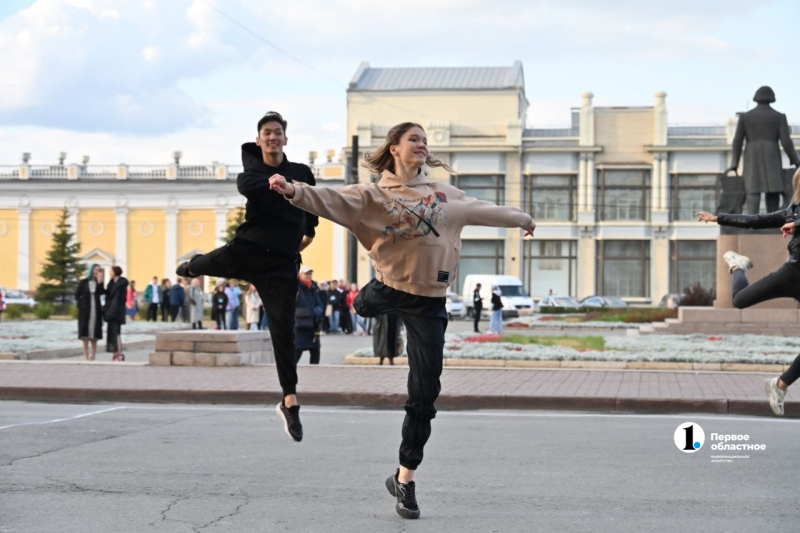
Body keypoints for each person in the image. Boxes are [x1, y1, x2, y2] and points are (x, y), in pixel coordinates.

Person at [270, 121, 535, 519]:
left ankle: (404, 478)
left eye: (425, 141)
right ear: (394, 148)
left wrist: (523, 219)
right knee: (365, 303)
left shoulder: (446, 195)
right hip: (392, 287)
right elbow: (329, 199)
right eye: (414, 139)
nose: (422, 145)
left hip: (430, 302)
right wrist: (294, 191)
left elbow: (485, 209)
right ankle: (364, 298)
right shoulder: (373, 195)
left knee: (424, 395)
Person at [175, 111, 318, 442]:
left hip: (280, 265)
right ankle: (191, 266)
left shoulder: (302, 173)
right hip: (249, 250)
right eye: (267, 132)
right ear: (259, 140)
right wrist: (275, 184)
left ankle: (290, 402)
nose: (273, 137)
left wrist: (298, 243)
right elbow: (252, 186)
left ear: (285, 138)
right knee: (208, 263)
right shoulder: (251, 176)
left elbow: (312, 219)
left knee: (284, 333)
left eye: (278, 132)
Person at [698, 169, 800, 417]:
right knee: (739, 300)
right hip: (793, 273)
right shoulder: (792, 209)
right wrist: (718, 218)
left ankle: (779, 385)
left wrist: (797, 225)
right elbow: (756, 219)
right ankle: (737, 265)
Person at [75, 263, 105, 361]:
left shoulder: (99, 282)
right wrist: (80, 304)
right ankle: (85, 355)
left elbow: (102, 292)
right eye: (95, 270)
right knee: (85, 335)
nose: (97, 272)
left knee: (94, 335)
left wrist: (100, 282)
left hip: (95, 310)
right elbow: (77, 295)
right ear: (91, 270)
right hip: (85, 310)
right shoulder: (83, 282)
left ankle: (93, 355)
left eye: (99, 270)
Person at [295, 266, 324, 364]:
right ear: (300, 274)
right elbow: (290, 308)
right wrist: (308, 312)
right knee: (296, 353)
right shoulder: (296, 288)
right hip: (299, 327)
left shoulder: (314, 288)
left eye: (310, 274)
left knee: (316, 351)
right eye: (306, 274)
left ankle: (315, 372)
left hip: (313, 326)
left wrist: (316, 311)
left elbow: (319, 304)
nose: (309, 276)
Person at [104, 266, 128, 358]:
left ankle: (119, 352)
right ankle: (115, 352)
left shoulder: (122, 283)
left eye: (111, 271)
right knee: (112, 332)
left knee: (116, 332)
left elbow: (122, 299)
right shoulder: (110, 284)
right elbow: (107, 297)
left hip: (118, 311)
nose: (110, 272)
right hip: (110, 311)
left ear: (115, 272)